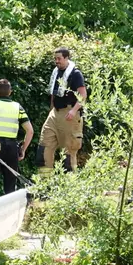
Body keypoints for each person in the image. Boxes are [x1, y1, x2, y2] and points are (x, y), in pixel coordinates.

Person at [38, 47, 87, 177]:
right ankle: (44, 183)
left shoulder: (75, 74)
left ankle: (70, 187)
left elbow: (83, 95)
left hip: (69, 113)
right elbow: (54, 94)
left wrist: (73, 111)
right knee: (44, 146)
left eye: (59, 58)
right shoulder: (56, 72)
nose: (57, 61)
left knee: (68, 153)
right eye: (55, 58)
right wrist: (51, 109)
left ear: (66, 58)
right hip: (55, 113)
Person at [0, 79, 34, 196]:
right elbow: (30, 131)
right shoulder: (18, 107)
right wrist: (23, 150)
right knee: (10, 185)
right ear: (10, 92)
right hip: (12, 147)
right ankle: (11, 211)